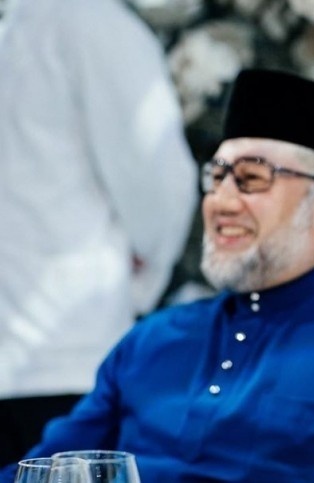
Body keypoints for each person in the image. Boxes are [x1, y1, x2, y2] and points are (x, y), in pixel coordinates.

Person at [0, 69, 314, 483]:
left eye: (251, 179)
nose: (220, 202)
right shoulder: (153, 339)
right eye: (216, 178)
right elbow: (42, 470)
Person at [0, 0, 197, 465]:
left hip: (59, 358)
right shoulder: (92, 23)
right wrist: (143, 281)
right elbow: (160, 187)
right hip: (65, 354)